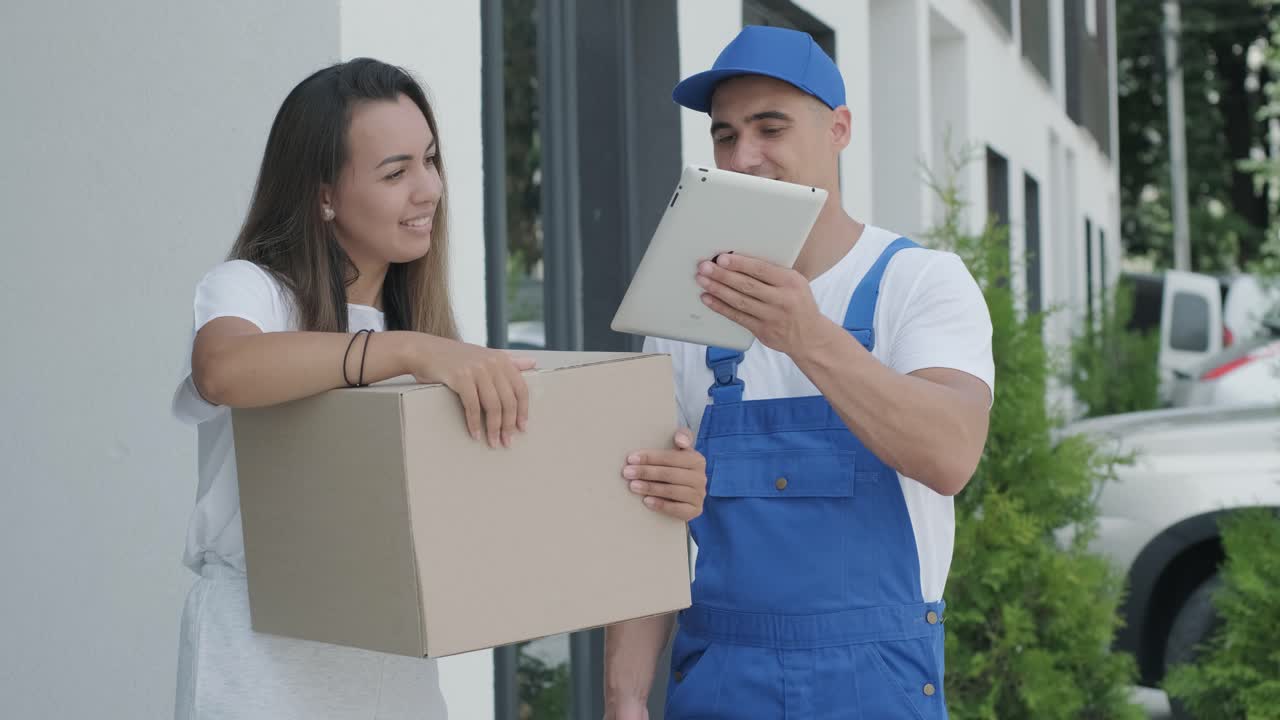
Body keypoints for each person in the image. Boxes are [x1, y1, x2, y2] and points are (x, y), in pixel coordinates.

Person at [171, 57, 707, 719]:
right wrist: (410, 351)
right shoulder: (255, 290)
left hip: (391, 661)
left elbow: (497, 507)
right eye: (396, 172)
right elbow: (221, 370)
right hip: (257, 656)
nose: (428, 189)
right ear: (324, 195)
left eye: (429, 161)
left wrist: (649, 478)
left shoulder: (425, 332)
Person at [603, 26, 995, 719]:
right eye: (725, 136)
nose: (744, 157)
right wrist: (625, 699)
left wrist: (807, 334)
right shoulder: (686, 309)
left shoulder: (920, 283)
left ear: (840, 129)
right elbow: (645, 519)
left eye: (770, 128)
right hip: (720, 684)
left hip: (876, 685)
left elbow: (950, 454)